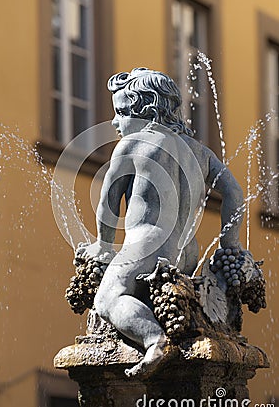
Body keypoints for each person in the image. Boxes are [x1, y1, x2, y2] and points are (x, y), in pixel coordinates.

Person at [77, 67, 245, 377]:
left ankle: (154, 340)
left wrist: (102, 245)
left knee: (107, 298)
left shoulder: (133, 143)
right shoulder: (200, 153)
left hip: (147, 246)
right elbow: (235, 195)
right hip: (187, 255)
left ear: (148, 110)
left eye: (121, 112)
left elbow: (107, 202)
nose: (114, 122)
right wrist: (229, 246)